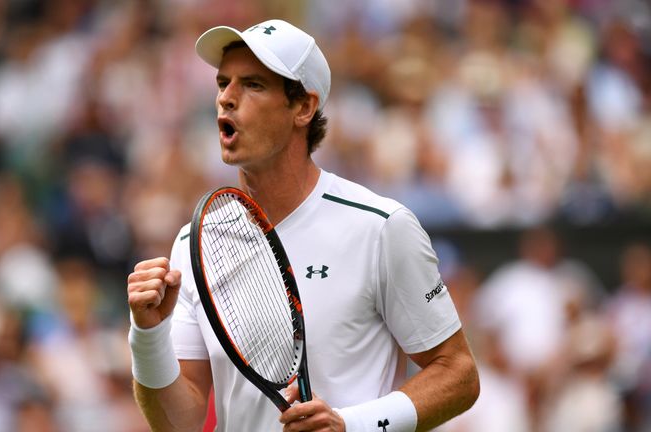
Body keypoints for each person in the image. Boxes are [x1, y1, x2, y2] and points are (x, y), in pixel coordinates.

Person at [126, 19, 479, 432]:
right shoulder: (194, 244)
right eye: (223, 83)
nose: (226, 99)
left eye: (253, 85)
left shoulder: (381, 228)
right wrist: (147, 335)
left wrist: (351, 425)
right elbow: (177, 424)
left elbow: (458, 373)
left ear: (304, 107)